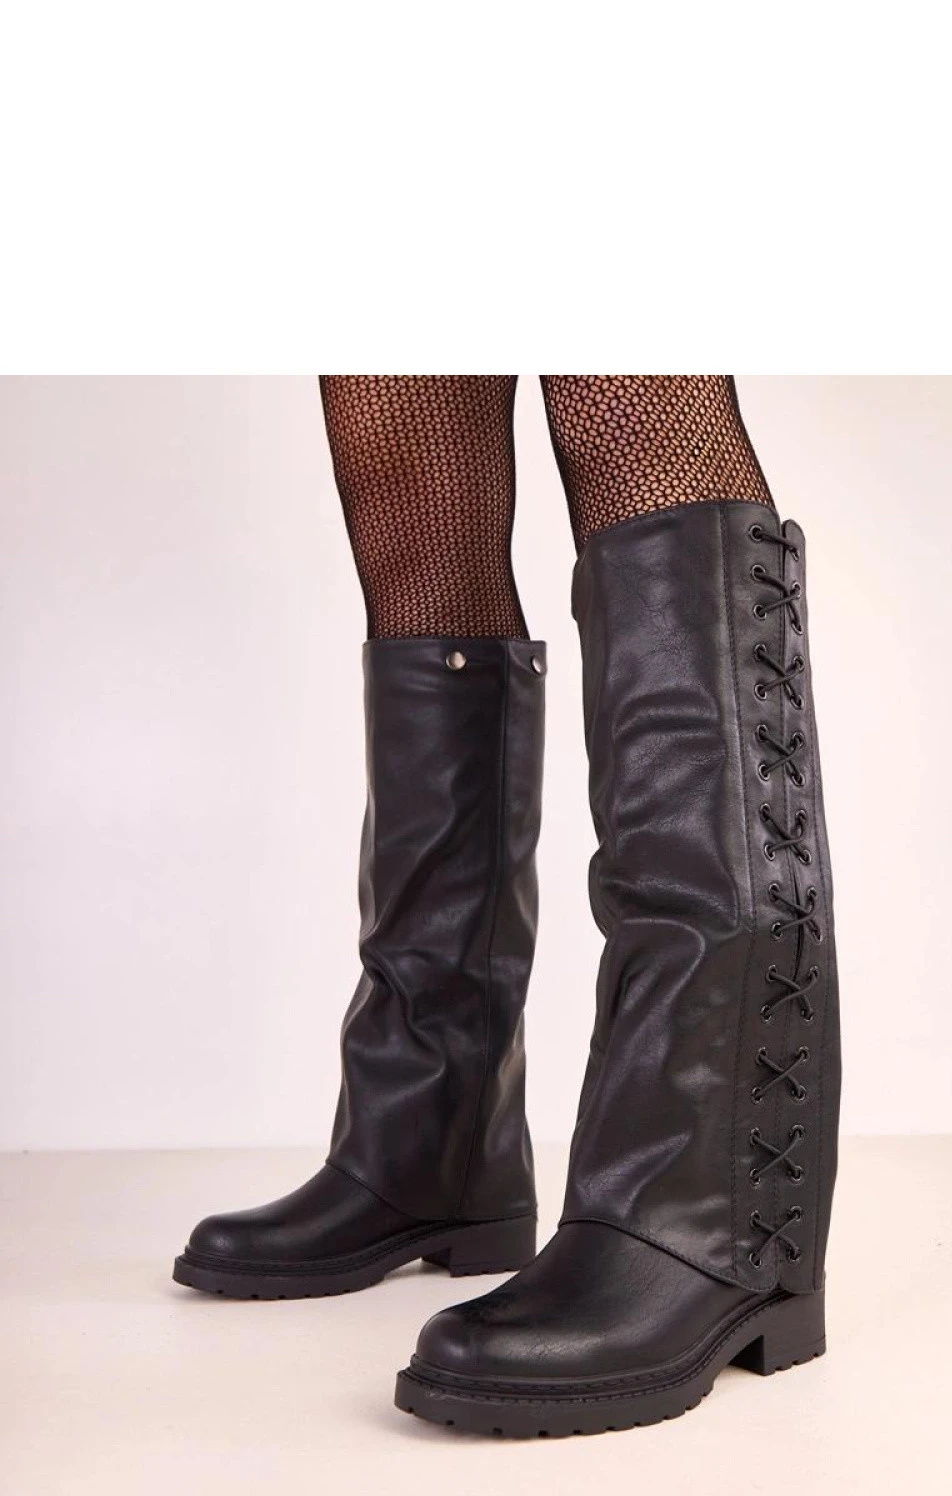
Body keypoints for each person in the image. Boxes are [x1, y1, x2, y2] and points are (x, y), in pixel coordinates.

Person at [173, 376, 840, 1439]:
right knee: (410, 469)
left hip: (718, 1189)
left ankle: (704, 1211)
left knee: (630, 401)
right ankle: (432, 1145)